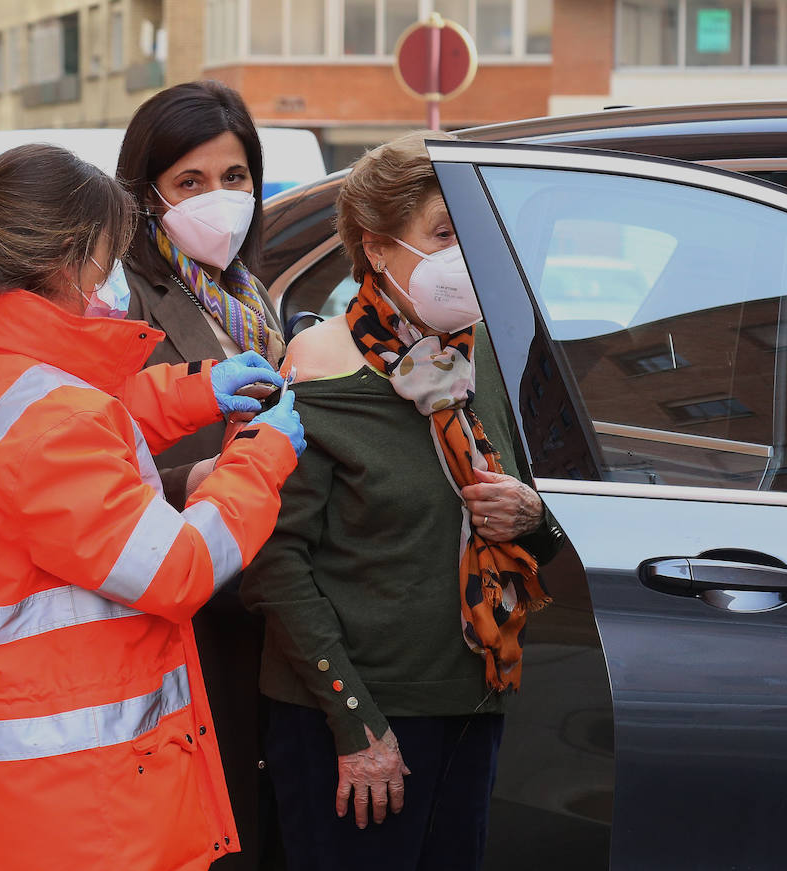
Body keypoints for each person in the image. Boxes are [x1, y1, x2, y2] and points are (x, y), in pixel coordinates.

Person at [0, 143, 307, 870]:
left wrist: (193, 390)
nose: (112, 275)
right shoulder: (49, 421)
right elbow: (179, 568)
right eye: (106, 256)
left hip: (7, 787)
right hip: (79, 803)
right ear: (67, 260)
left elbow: (78, 446)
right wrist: (261, 457)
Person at [240, 130, 565, 870]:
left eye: (472, 235)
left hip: (470, 703)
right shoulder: (320, 369)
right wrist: (356, 725)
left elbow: (541, 527)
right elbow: (275, 563)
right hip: (355, 720)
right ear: (378, 248)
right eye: (445, 234)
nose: (466, 255)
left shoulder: (482, 358)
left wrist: (531, 518)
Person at [116, 80, 288, 870]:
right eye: (191, 182)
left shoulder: (256, 297)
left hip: (270, 597)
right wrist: (201, 476)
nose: (220, 199)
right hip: (185, 608)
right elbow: (101, 457)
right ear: (146, 195)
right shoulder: (122, 303)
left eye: (235, 178)